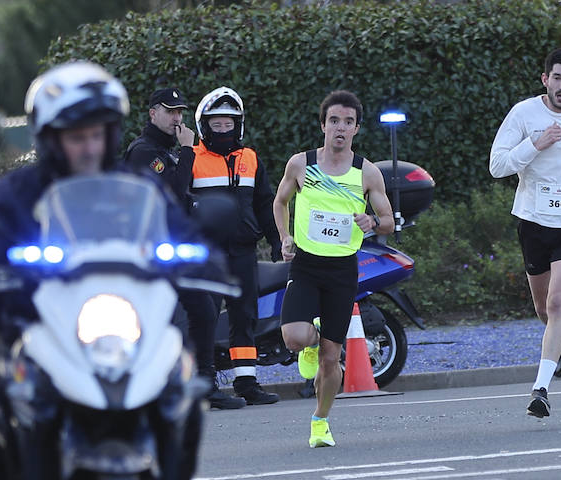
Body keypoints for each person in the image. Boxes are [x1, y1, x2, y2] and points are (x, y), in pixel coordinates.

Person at [0, 60, 210, 480]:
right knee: (2, 385)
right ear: (50, 139)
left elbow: (185, 232)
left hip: (117, 323)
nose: (88, 146)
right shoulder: (21, 190)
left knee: (183, 393)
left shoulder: (137, 184)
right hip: (40, 322)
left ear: (110, 134)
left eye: (96, 134)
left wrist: (205, 260)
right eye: (75, 136)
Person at [489, 47, 561, 418]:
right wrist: (534, 145)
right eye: (556, 78)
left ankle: (540, 389)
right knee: (544, 309)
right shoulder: (523, 114)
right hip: (535, 221)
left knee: (558, 302)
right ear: (545, 79)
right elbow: (497, 166)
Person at [272, 90, 394, 448]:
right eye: (334, 121)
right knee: (294, 337)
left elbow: (388, 220)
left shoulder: (366, 173)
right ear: (323, 124)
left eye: (348, 122)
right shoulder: (301, 164)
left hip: (342, 270)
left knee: (330, 359)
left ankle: (320, 421)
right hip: (307, 265)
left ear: (356, 128)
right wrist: (284, 237)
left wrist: (371, 221)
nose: (340, 128)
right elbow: (280, 202)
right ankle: (310, 341)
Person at [125, 87, 244, 411]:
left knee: (202, 311)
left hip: (172, 249)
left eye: (179, 111)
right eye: (169, 111)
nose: (177, 118)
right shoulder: (144, 152)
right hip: (149, 253)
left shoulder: (164, 150)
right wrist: (189, 150)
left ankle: (201, 384)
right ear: (153, 114)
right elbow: (172, 195)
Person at [190, 86, 284, 407]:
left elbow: (264, 203)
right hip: (209, 253)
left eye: (229, 124)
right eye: (216, 124)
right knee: (206, 316)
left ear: (238, 125)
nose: (223, 129)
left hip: (243, 250)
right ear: (204, 125)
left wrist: (275, 239)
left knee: (245, 316)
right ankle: (205, 382)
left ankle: (247, 383)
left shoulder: (250, 158)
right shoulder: (193, 158)